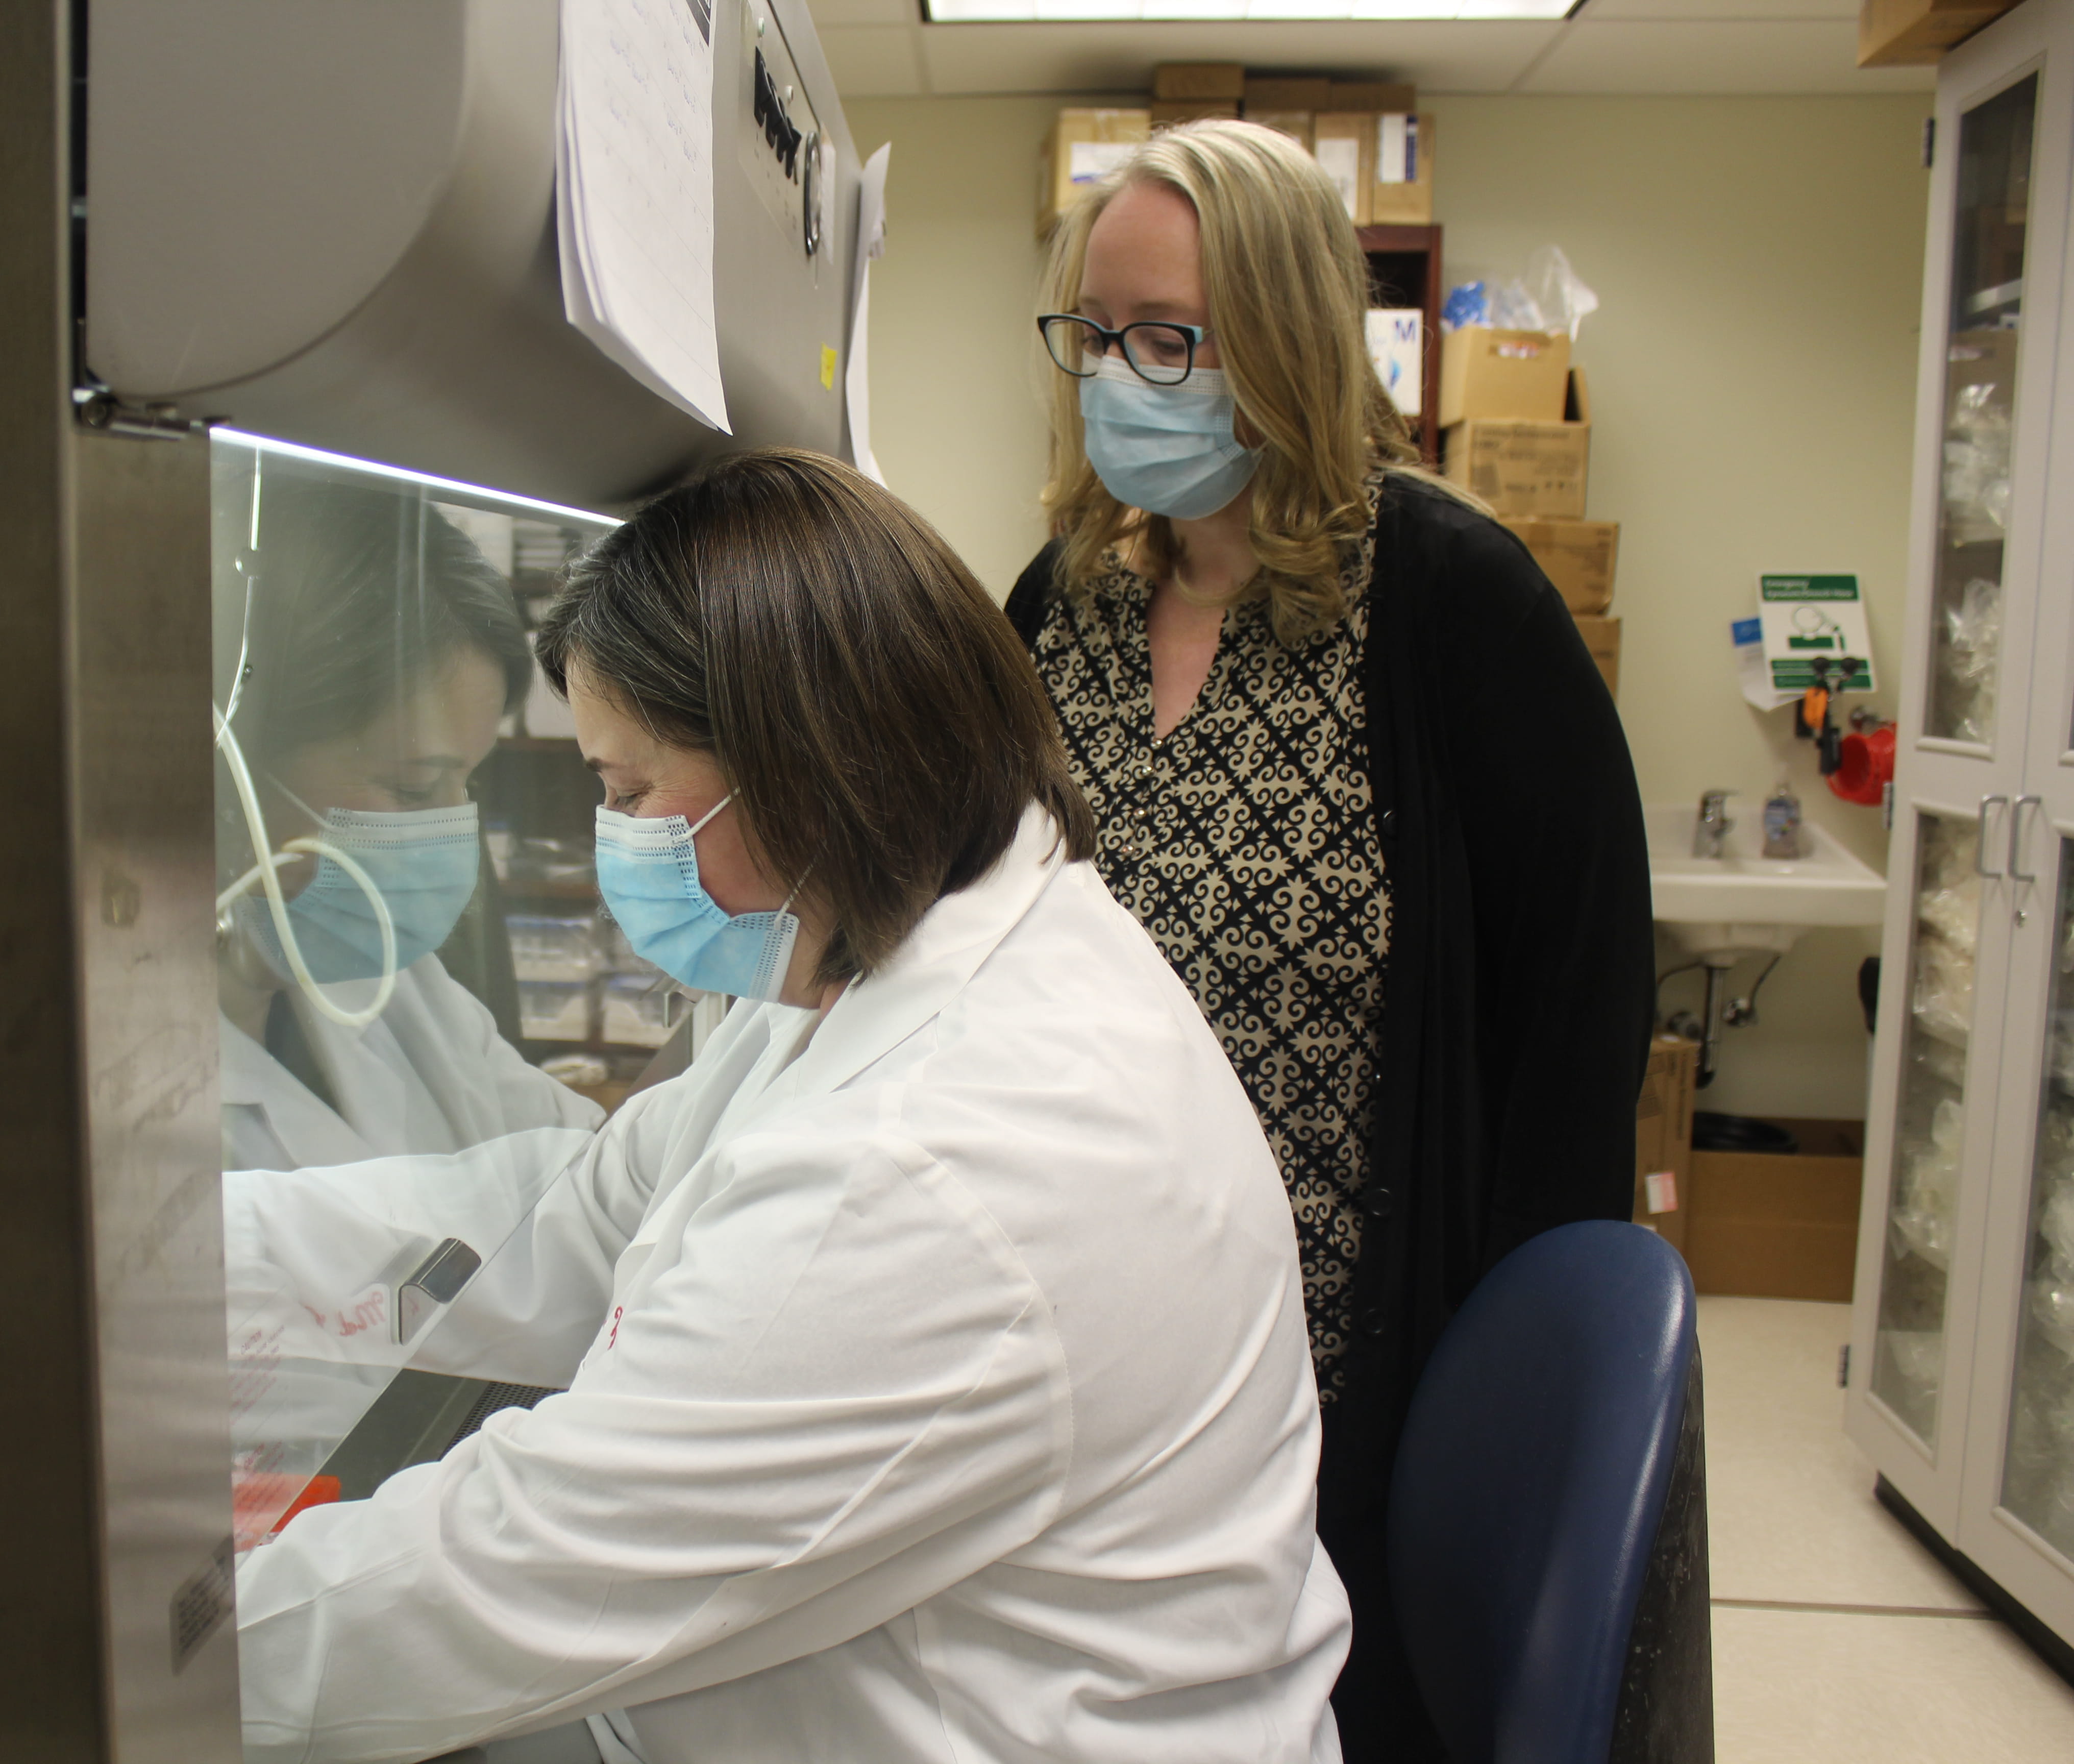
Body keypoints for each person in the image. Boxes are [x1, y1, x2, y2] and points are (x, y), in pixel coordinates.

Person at [227, 449, 1350, 1764]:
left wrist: (136, 1653)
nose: (615, 840)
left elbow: (521, 1573)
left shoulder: (940, 1156)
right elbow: (560, 1218)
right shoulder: (912, 962)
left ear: (808, 762)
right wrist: (163, 1261)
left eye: (631, 791)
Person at [1006, 119, 1653, 1760]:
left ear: (1287, 340)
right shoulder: (1060, 602)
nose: (1118, 378)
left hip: (1341, 1379)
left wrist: (1496, 1410)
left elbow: (1576, 1024)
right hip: (1077, 1346)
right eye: (1096, 337)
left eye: (1168, 340)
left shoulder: (1451, 606)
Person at [211, 476, 603, 1172]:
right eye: (415, 784)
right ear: (228, 762)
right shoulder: (133, 1088)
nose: (454, 832)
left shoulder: (391, 988)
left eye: (469, 781)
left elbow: (588, 1166)